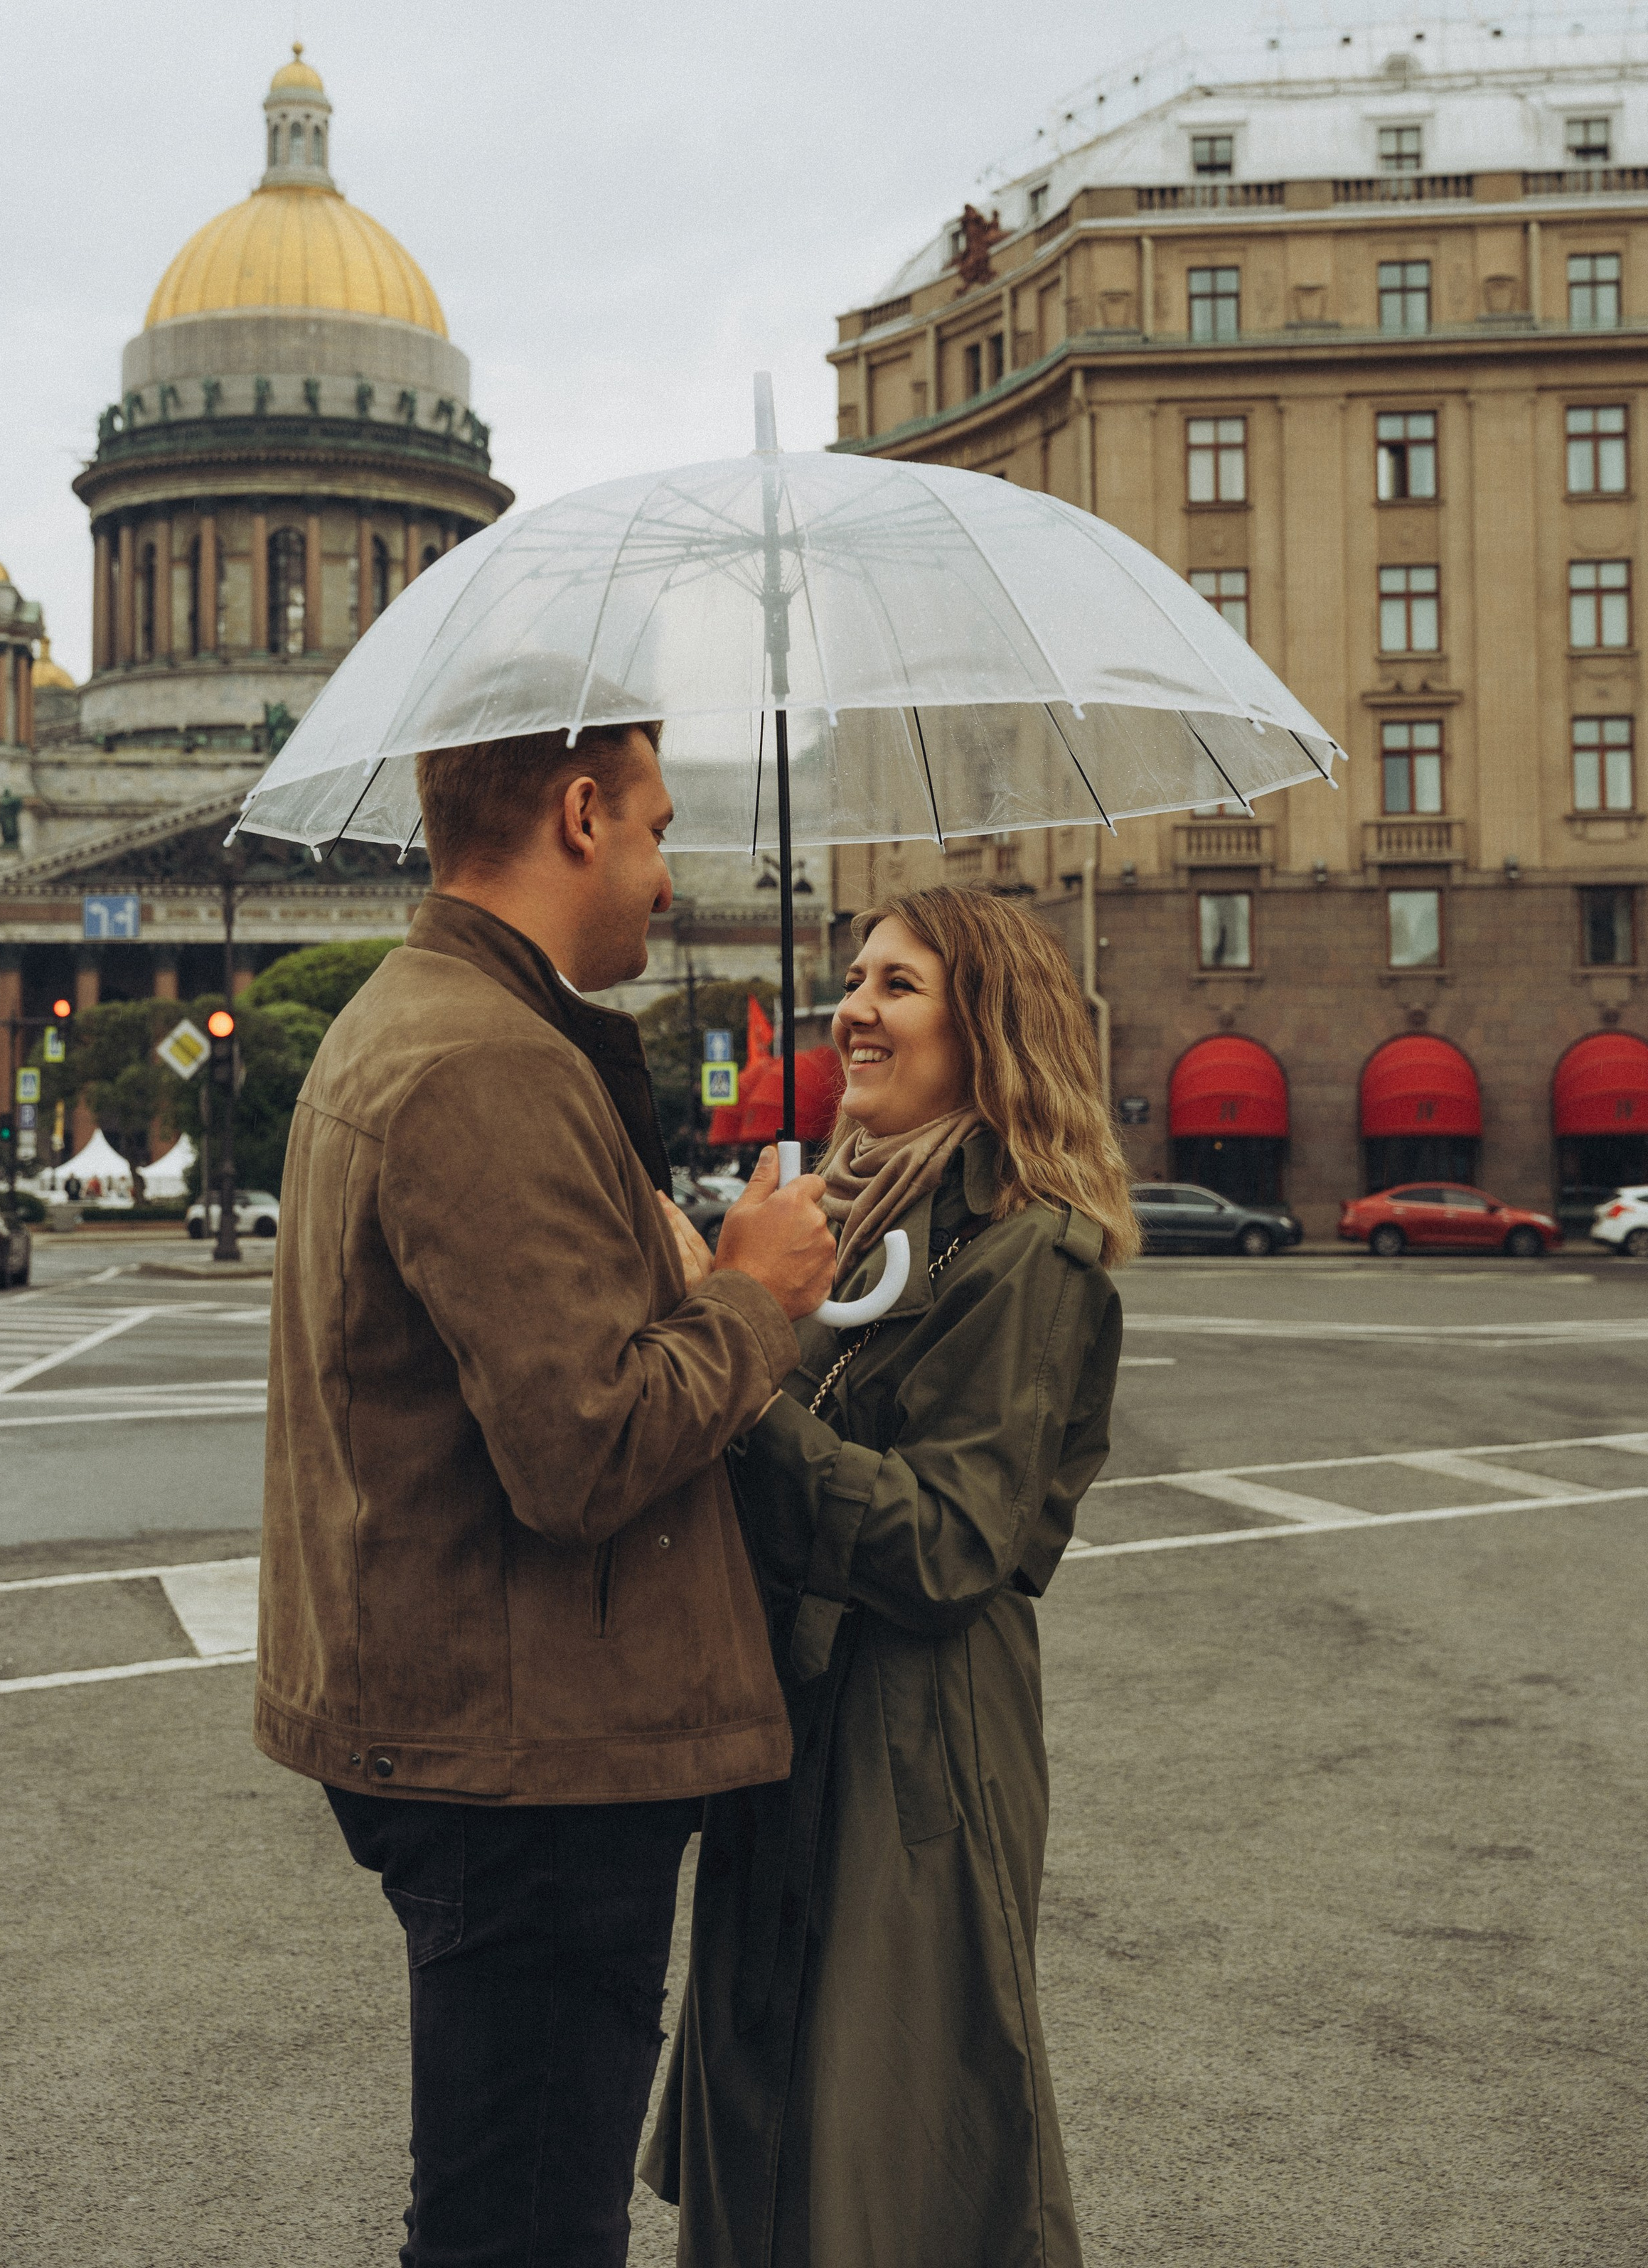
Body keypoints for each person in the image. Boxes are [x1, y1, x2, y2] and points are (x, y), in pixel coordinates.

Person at [255, 718, 836, 2268]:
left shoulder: (430, 1020)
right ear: (578, 814)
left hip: (487, 1724)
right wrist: (757, 1303)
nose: (664, 873)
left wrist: (684, 1271)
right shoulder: (485, 1064)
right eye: (651, 826)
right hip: (529, 1753)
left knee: (501, 2205)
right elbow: (582, 1447)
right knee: (521, 2230)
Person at [644, 883, 1138, 2268]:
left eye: (897, 983)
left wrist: (747, 1390)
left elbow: (946, 1546)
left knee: (885, 2164)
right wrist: (724, 1303)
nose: (851, 1008)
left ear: (984, 1026)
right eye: (853, 976)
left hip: (916, 1748)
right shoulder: (843, 1219)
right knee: (770, 2139)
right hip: (789, 1732)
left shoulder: (1029, 1250)